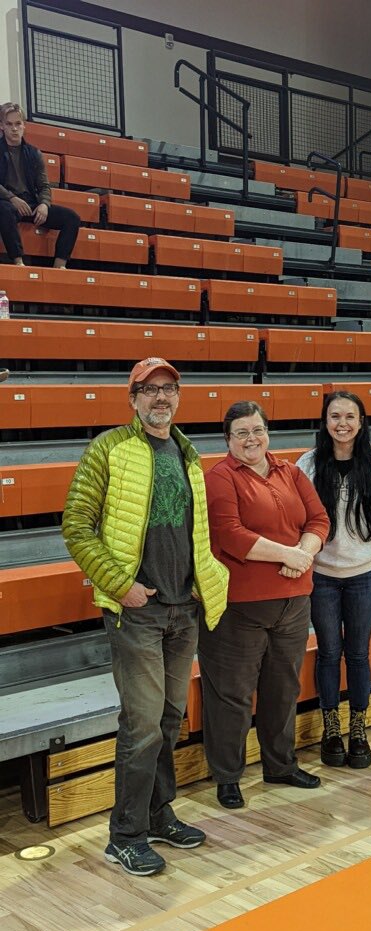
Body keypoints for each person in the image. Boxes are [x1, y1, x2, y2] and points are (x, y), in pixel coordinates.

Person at [62, 357, 229, 876]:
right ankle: (125, 834)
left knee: (169, 720)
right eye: (150, 390)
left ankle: (158, 814)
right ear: (132, 399)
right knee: (141, 726)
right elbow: (76, 524)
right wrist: (119, 585)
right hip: (136, 612)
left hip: (183, 609)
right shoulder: (108, 449)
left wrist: (205, 584)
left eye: (169, 389)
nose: (161, 398)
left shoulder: (187, 453)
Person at [197, 401, 330, 810]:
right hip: (239, 607)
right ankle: (228, 776)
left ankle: (279, 764)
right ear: (228, 440)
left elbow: (319, 519)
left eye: (257, 430)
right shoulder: (219, 477)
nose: (251, 439)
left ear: (267, 432)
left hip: (293, 602)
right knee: (232, 695)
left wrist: (304, 554)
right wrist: (287, 556)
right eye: (241, 433)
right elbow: (230, 534)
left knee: (283, 688)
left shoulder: (289, 471)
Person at [296, 391, 371, 769]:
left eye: (350, 416)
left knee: (357, 653)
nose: (342, 423)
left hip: (364, 575)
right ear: (325, 422)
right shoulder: (307, 464)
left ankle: (358, 729)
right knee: (328, 652)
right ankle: (330, 728)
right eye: (335, 416)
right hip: (321, 576)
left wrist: (354, 548)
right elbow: (301, 517)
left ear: (361, 421)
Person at [0, 102, 80, 268]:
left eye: (18, 124)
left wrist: (44, 204)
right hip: (8, 203)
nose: (14, 129)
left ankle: (60, 266)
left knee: (71, 218)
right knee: (3, 210)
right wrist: (12, 198)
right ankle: (18, 261)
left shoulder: (34, 153)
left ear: (24, 126)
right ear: (2, 126)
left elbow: (44, 185)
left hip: (31, 203)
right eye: (9, 124)